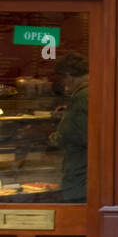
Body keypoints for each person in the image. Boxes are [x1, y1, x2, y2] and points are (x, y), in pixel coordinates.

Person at [49, 53, 90, 203]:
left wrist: (52, 137)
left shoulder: (81, 96)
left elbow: (69, 135)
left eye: (62, 79)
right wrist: (68, 114)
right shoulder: (97, 89)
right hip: (89, 175)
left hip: (79, 177)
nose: (64, 84)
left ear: (69, 76)